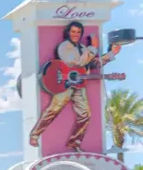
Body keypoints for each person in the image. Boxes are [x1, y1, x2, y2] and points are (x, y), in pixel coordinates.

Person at [28, 21, 120, 150]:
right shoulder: (64, 46)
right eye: (73, 31)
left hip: (79, 84)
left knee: (85, 114)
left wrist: (111, 54)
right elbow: (78, 63)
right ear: (68, 32)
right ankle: (35, 134)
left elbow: (93, 64)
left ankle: (74, 141)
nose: (76, 34)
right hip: (64, 83)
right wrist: (93, 47)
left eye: (78, 32)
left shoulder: (82, 48)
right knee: (53, 110)